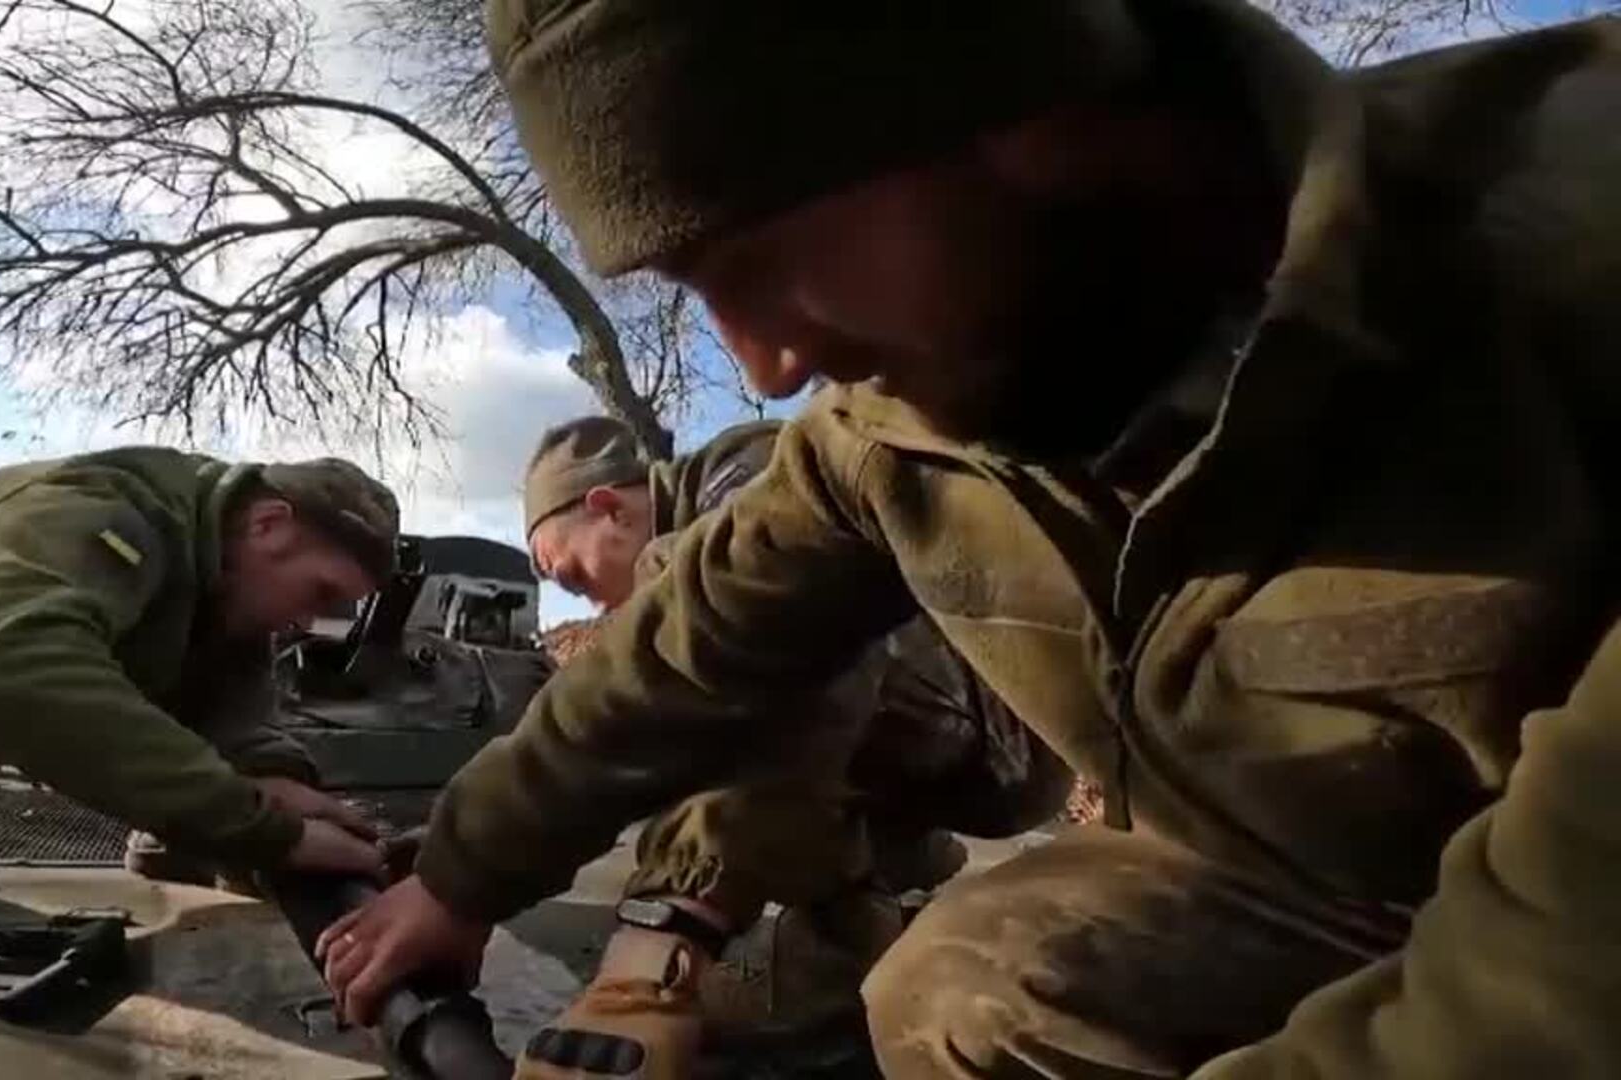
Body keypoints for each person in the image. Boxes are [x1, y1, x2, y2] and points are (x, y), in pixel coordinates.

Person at [321, 2, 1621, 1078]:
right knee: (974, 978)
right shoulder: (890, 429)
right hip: (1320, 884)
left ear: (1019, 102)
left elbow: (1549, 995)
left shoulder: (1570, 255)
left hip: (1549, 934)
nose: (764, 364)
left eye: (762, 249)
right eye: (695, 292)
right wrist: (459, 875)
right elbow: (684, 658)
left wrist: (666, 933)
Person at [521, 415, 1070, 1052]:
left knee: (689, 596)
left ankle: (873, 879)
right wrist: (484, 845)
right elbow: (623, 736)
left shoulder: (755, 474)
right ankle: (869, 908)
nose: (585, 602)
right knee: (673, 660)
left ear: (607, 507)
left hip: (1004, 727)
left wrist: (662, 932)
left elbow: (790, 659)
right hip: (968, 732)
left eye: (571, 577)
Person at [0, 447, 401, 922]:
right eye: (321, 591)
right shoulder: (99, 508)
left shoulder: (224, 580)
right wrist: (261, 831)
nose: (312, 621)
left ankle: (174, 842)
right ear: (268, 524)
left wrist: (280, 792)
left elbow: (238, 717)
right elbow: (12, 673)